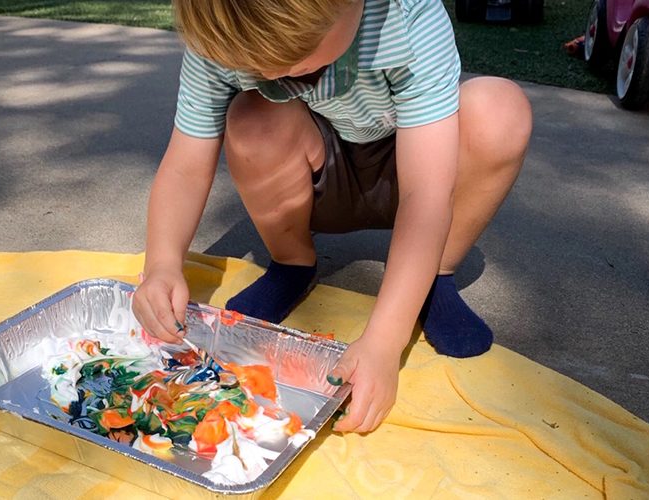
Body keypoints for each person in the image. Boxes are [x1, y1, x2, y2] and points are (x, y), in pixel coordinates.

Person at [133, 0, 532, 433]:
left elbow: (427, 193)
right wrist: (162, 264)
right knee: (252, 117)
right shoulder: (222, 25)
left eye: (297, 58)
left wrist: (384, 342)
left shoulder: (407, 14)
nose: (271, 74)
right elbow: (186, 165)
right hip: (322, 173)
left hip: (417, 172)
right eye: (252, 66)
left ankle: (435, 275)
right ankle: (292, 263)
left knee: (499, 110)